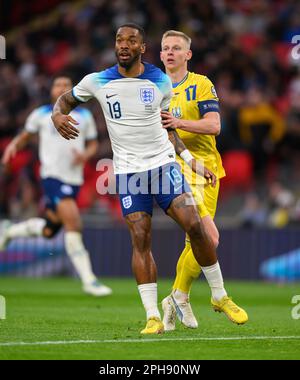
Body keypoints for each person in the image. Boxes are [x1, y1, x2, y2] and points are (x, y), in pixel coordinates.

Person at [51, 23, 244, 334]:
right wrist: (56, 116)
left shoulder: (158, 80)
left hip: (163, 166)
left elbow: (170, 132)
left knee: (196, 226)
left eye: (131, 40)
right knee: (141, 240)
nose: (124, 45)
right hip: (128, 173)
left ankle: (220, 296)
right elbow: (65, 101)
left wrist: (189, 160)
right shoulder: (97, 81)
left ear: (142, 48)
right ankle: (153, 316)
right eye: (119, 40)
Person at [160, 30, 248, 329]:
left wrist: (178, 122)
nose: (170, 52)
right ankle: (217, 295)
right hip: (173, 168)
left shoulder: (201, 84)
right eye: (165, 48)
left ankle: (177, 296)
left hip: (207, 168)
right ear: (160, 55)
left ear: (188, 55)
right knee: (209, 236)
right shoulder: (152, 88)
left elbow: (214, 126)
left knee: (198, 240)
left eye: (176, 48)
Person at [0, 75, 112, 297]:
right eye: (57, 85)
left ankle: (10, 231)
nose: (62, 88)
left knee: (50, 230)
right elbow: (25, 136)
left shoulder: (84, 115)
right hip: (52, 177)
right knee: (74, 224)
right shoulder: (42, 114)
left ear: (73, 90)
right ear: (51, 90)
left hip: (74, 180)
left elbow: (92, 145)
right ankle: (89, 281)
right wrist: (12, 146)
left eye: (66, 86)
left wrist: (85, 155)